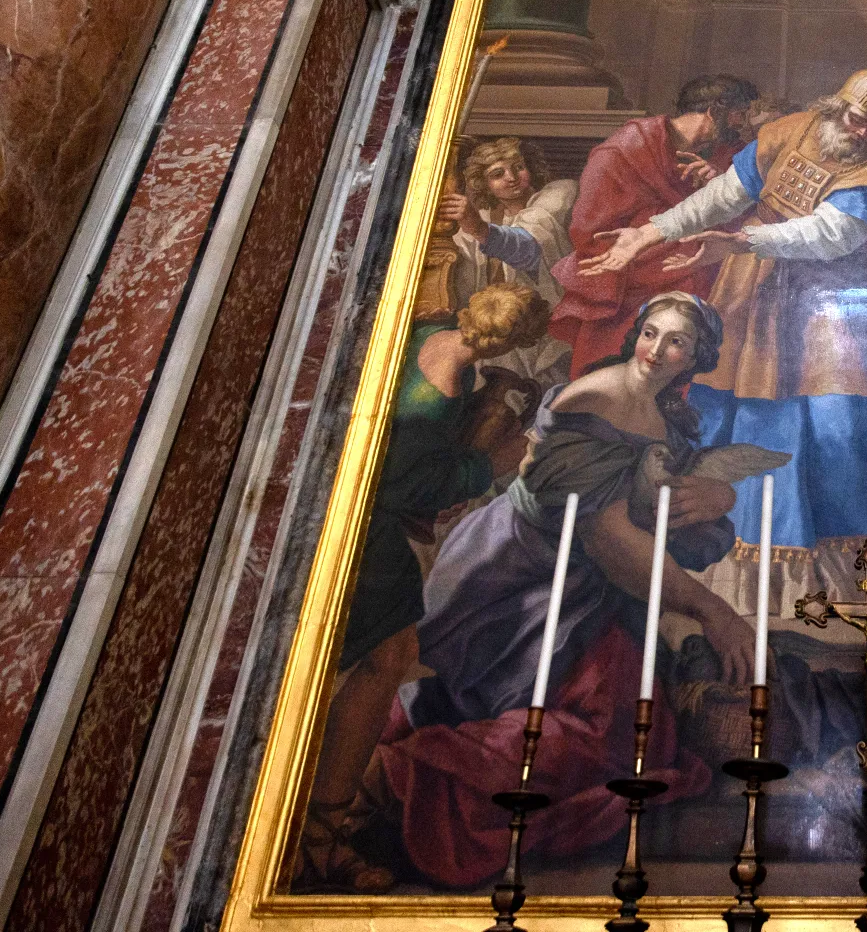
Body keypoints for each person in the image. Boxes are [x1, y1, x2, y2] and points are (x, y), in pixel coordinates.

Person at [368, 294, 750, 888]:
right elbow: (608, 537)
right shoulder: (595, 401)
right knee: (601, 734)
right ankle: (410, 776)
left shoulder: (665, 411)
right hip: (515, 580)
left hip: (582, 589)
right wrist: (712, 607)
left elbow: (663, 490)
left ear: (697, 357)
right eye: (649, 332)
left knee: (639, 732)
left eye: (675, 342)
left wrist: (720, 496)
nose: (656, 350)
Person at [578, 69, 867, 575]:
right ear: (837, 105)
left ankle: (851, 573)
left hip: (831, 305)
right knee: (729, 410)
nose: (862, 133)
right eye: (857, 119)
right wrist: (649, 234)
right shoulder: (791, 130)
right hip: (754, 288)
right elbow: (726, 195)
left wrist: (744, 242)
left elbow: (831, 236)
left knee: (841, 425)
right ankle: (715, 557)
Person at [298, 284, 551, 892]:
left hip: (350, 521)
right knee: (380, 661)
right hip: (371, 535)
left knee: (379, 660)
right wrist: (492, 464)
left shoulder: (423, 338)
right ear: (517, 338)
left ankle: (318, 828)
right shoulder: (445, 381)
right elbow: (405, 484)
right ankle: (317, 835)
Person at [550, 74, 759, 373]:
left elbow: (742, 215)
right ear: (715, 112)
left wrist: (717, 182)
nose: (743, 124)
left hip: (699, 270)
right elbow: (590, 233)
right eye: (740, 114)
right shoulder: (624, 151)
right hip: (631, 278)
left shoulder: (731, 155)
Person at [442, 136, 577, 385]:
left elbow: (527, 247)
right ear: (483, 183)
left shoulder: (556, 197)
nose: (511, 177)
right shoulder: (483, 216)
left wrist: (479, 229)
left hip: (546, 328)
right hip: (496, 329)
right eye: (497, 174)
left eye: (518, 167)